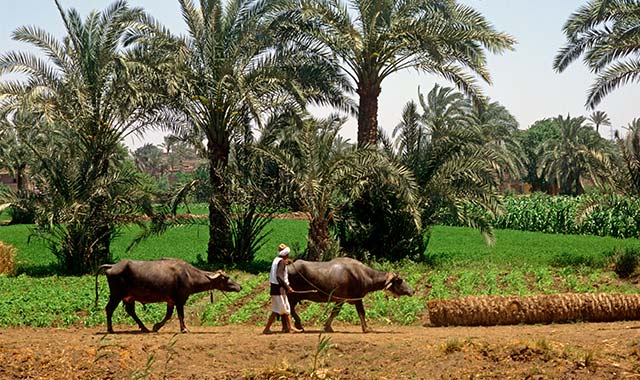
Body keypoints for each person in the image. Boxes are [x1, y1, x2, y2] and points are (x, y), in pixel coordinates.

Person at [262, 243, 302, 334]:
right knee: (284, 309)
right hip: (279, 289)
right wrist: (288, 288)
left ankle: (267, 328)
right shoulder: (282, 262)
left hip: (275, 288)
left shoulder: (277, 260)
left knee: (280, 309)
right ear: (286, 254)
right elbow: (279, 277)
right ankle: (290, 327)